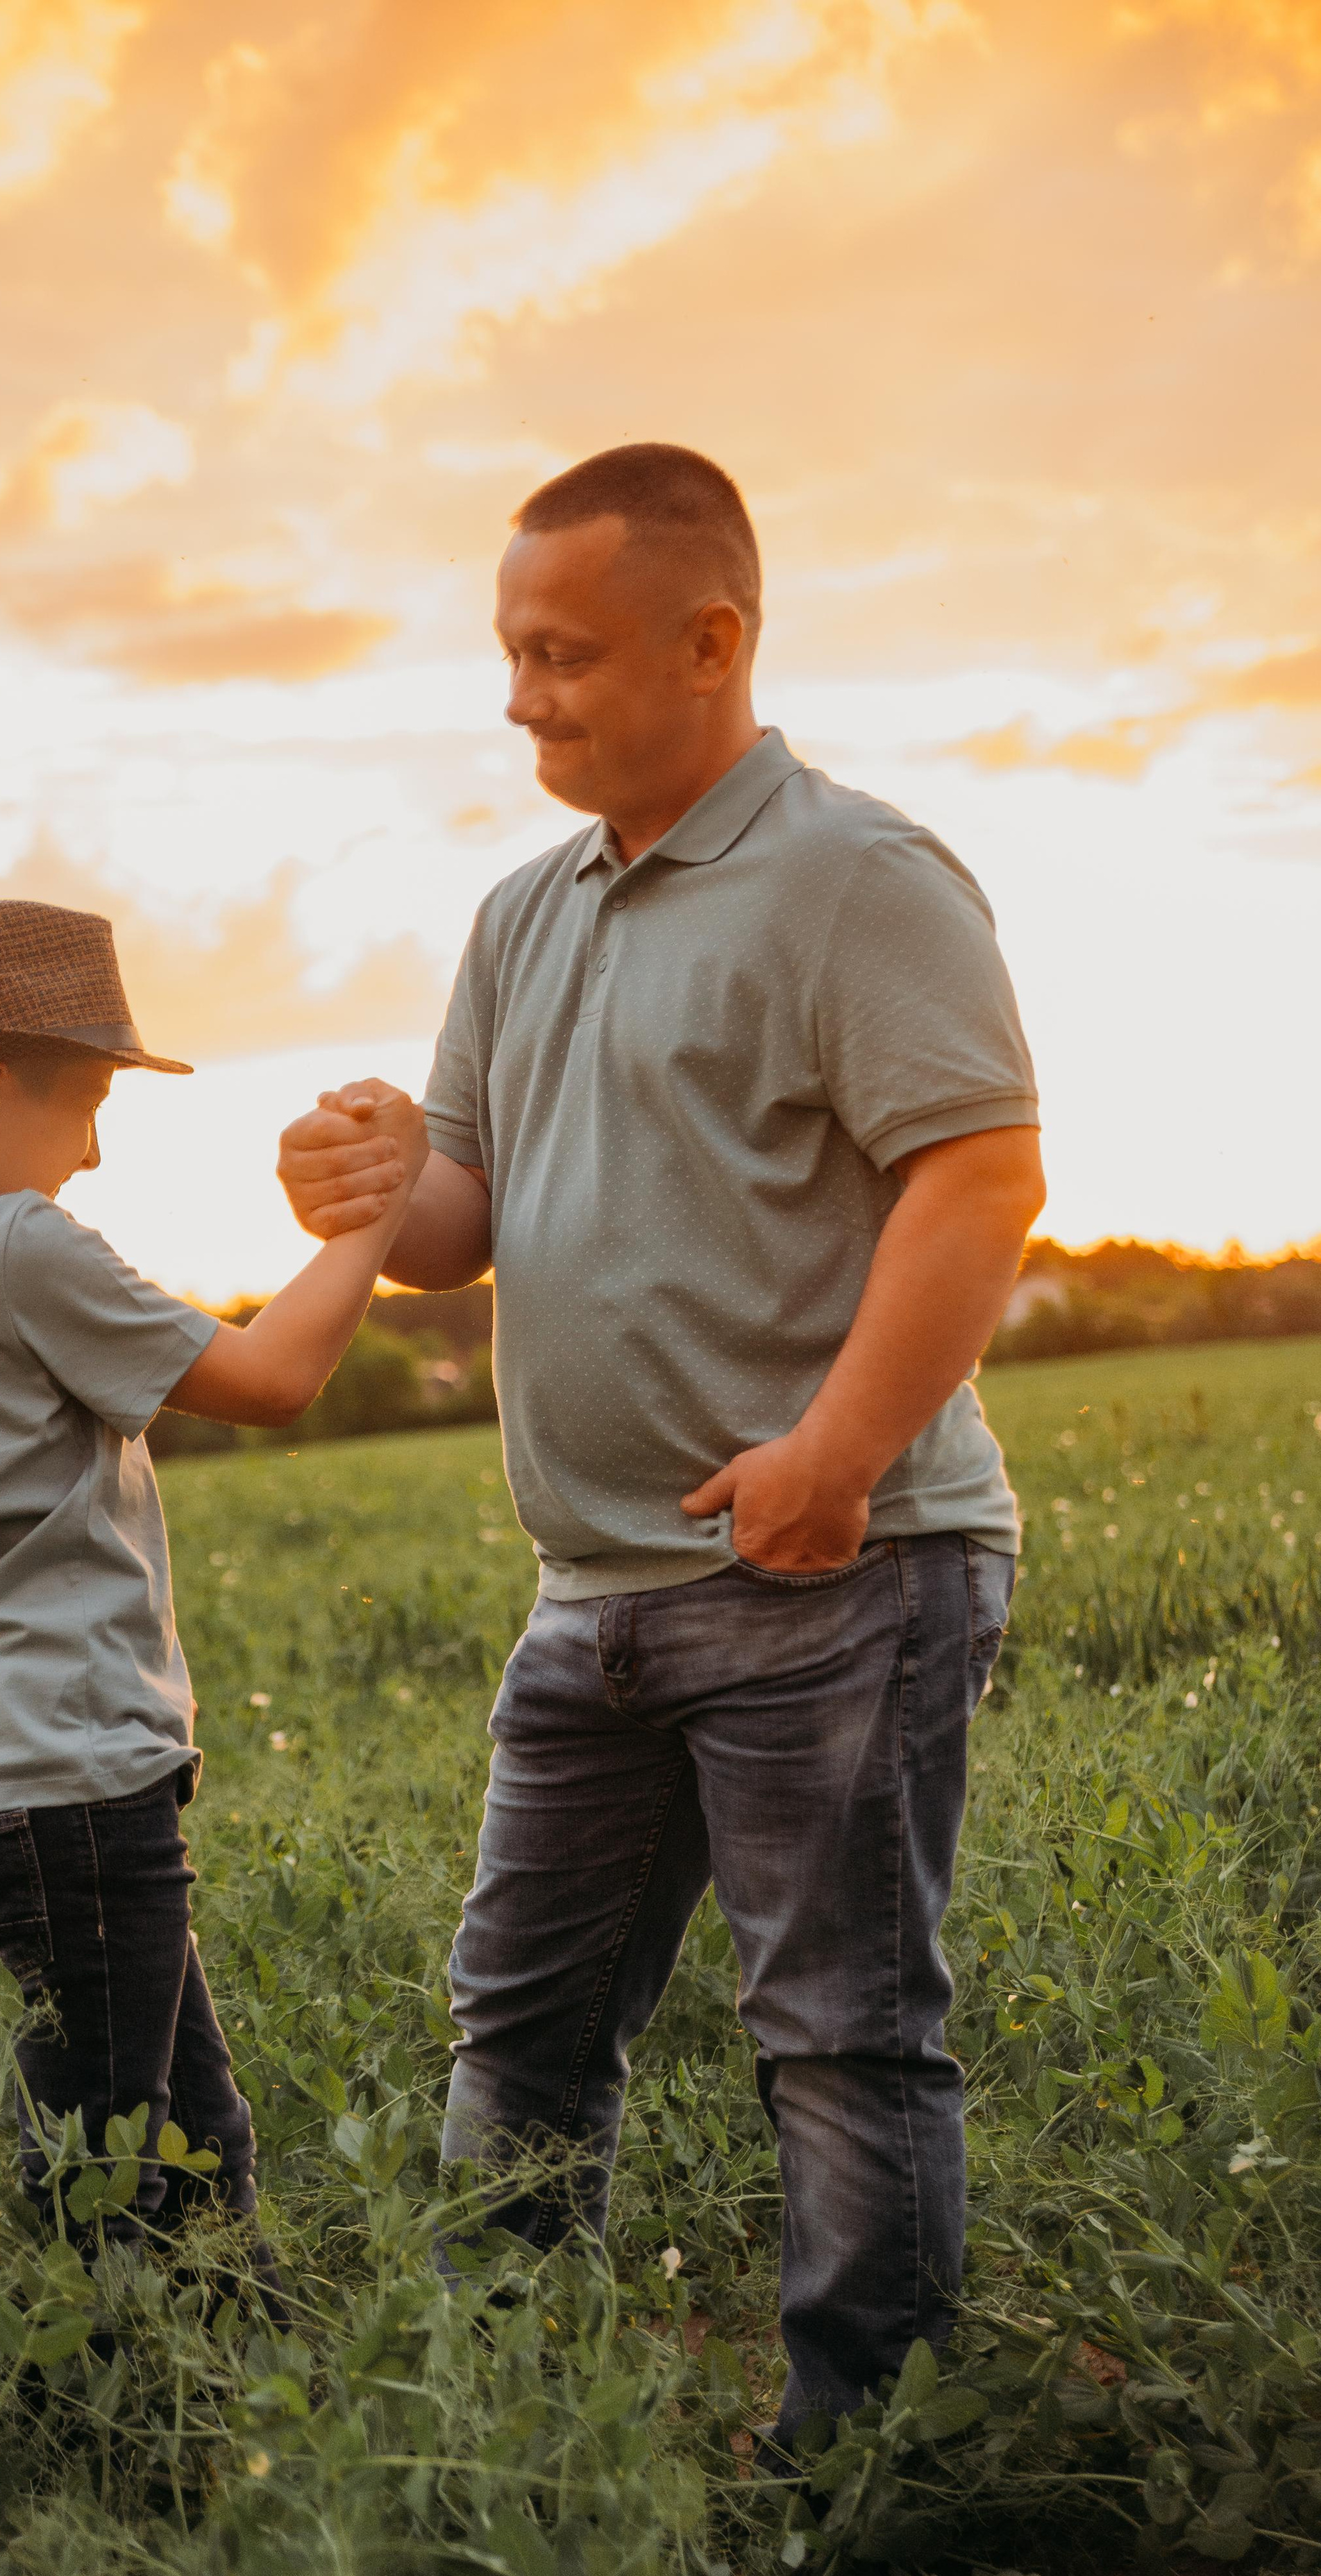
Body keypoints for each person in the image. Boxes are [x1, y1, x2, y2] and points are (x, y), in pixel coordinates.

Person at [276, 443, 1045, 2448]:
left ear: (711, 640)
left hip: (833, 1570)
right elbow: (460, 1229)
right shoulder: (522, 916)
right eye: (511, 654)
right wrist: (368, 1184)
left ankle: (866, 2482)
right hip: (596, 1597)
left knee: (840, 2042)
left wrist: (839, 1452)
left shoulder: (858, 878)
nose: (522, 695)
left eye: (561, 653)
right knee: (522, 2024)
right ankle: (501, 2424)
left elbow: (979, 1176)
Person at [0, 897, 425, 2256]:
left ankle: (231, 2427)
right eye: (86, 1104)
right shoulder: (10, 1245)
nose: (89, 1151)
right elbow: (270, 1381)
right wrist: (371, 1228)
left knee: (191, 2140)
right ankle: (99, 2443)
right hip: (74, 1779)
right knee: (104, 2178)